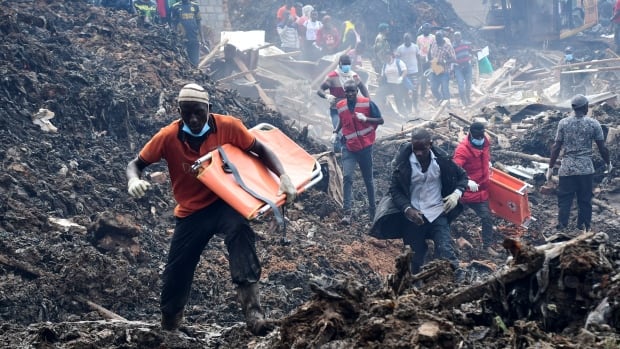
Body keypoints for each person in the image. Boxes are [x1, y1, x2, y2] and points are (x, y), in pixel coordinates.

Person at [125, 83, 298, 335]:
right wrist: (133, 180)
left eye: (199, 112)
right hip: (191, 212)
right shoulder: (168, 136)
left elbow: (259, 148)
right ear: (179, 111)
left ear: (209, 109)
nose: (193, 119)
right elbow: (136, 163)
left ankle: (254, 314)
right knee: (177, 270)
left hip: (224, 203)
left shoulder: (228, 127)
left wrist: (283, 175)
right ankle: (170, 324)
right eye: (187, 113)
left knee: (240, 231)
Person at [370, 128, 467, 279]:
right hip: (414, 217)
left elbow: (463, 177)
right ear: (411, 145)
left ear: (431, 144)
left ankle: (461, 282)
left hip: (437, 212)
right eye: (416, 149)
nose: (419, 153)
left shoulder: (442, 161)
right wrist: (407, 209)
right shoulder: (403, 165)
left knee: (446, 250)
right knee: (415, 258)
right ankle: (417, 289)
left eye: (423, 148)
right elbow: (394, 190)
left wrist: (456, 194)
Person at [546, 94, 611, 232]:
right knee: (585, 200)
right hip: (585, 170)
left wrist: (550, 168)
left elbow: (556, 147)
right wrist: (608, 163)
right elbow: (602, 148)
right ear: (586, 107)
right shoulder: (594, 124)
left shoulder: (563, 123)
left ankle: (562, 227)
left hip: (567, 169)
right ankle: (583, 227)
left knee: (565, 200)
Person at [332, 80, 384, 224]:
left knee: (368, 180)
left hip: (365, 148)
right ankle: (347, 213)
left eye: (352, 91)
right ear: (344, 92)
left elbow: (381, 120)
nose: (349, 94)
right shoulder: (341, 106)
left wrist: (366, 118)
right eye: (347, 91)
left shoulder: (367, 103)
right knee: (347, 177)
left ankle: (373, 211)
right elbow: (342, 120)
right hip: (349, 147)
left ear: (357, 91)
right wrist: (335, 131)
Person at [453, 122, 496, 252]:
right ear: (470, 134)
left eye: (481, 136)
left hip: (480, 190)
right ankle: (449, 241)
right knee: (451, 216)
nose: (479, 139)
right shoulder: (462, 150)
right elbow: (454, 171)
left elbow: (485, 154)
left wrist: (488, 162)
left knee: (487, 217)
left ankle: (487, 246)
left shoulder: (485, 141)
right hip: (464, 191)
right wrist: (466, 182)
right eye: (476, 137)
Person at [317, 54, 369, 153]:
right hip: (336, 109)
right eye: (344, 64)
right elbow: (319, 90)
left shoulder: (353, 76)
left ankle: (349, 151)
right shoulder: (332, 77)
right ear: (339, 64)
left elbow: (363, 88)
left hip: (351, 109)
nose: (346, 66)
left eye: (348, 64)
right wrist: (327, 96)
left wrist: (368, 101)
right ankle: (338, 152)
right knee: (339, 131)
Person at [170, 0, 205, 67]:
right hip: (181, 40)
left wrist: (202, 38)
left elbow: (199, 22)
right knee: (183, 62)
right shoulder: (175, 7)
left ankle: (194, 75)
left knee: (195, 62)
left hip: (194, 39)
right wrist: (174, 38)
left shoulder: (195, 6)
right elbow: (173, 24)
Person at [375, 52, 409, 117]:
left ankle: (405, 115)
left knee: (399, 100)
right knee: (379, 92)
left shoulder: (398, 62)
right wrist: (379, 79)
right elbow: (383, 75)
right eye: (385, 57)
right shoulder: (385, 65)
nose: (386, 58)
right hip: (389, 85)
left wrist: (401, 77)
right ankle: (377, 110)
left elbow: (405, 71)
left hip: (398, 85)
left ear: (391, 55)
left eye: (387, 56)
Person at [429, 31, 455, 107]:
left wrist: (445, 61)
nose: (437, 39)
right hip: (435, 69)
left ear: (442, 37)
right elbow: (430, 53)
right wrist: (430, 60)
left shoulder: (448, 46)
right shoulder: (434, 43)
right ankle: (440, 99)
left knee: (445, 89)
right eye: (436, 37)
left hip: (444, 71)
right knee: (433, 88)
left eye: (439, 37)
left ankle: (448, 105)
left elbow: (453, 59)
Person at [395, 32, 420, 113]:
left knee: (415, 90)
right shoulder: (400, 49)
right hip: (405, 73)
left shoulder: (415, 47)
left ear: (411, 39)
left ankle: (415, 106)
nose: (407, 41)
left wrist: (421, 71)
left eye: (408, 39)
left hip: (414, 72)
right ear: (404, 40)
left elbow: (419, 59)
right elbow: (397, 61)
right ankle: (408, 108)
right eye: (406, 39)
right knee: (405, 92)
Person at [452, 32, 473, 107]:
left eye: (458, 36)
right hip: (458, 67)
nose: (457, 38)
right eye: (455, 36)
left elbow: (471, 51)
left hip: (467, 66)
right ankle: (463, 100)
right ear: (454, 37)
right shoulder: (452, 47)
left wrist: (475, 52)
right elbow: (451, 57)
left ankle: (468, 97)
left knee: (468, 83)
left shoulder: (466, 44)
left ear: (461, 37)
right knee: (460, 84)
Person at [416, 23, 435, 100]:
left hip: (432, 59)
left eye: (428, 29)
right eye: (425, 29)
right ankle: (422, 94)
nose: (426, 30)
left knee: (434, 76)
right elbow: (417, 49)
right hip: (422, 59)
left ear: (430, 30)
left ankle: (435, 93)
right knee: (423, 77)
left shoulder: (433, 37)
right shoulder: (419, 38)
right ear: (422, 29)